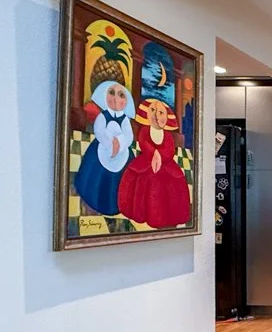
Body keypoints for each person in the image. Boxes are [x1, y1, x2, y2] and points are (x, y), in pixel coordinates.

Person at [117, 98, 191, 228]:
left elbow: (170, 149)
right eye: (153, 110)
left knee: (171, 183)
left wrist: (160, 156)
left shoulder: (167, 135)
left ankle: (166, 215)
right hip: (146, 161)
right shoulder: (145, 130)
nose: (157, 116)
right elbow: (143, 143)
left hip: (166, 163)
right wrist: (154, 153)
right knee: (143, 179)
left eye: (161, 113)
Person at [74, 79, 135, 216]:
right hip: (103, 149)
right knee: (96, 177)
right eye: (111, 93)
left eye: (121, 95)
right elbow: (99, 131)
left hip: (122, 153)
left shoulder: (125, 120)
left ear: (126, 101)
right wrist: (109, 144)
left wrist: (119, 143)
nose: (115, 98)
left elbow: (129, 136)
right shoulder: (102, 116)